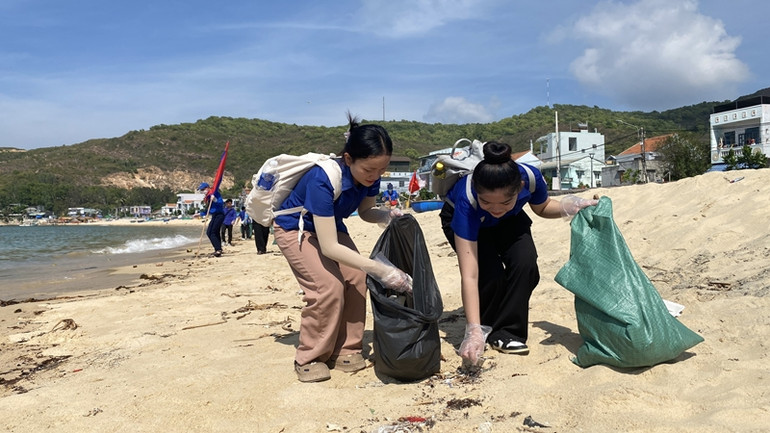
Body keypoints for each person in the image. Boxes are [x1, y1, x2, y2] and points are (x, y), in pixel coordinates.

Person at [273, 113, 411, 383]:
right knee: (327, 286)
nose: (375, 176)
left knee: (356, 277)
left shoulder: (372, 177)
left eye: (381, 170)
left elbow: (366, 210)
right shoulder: (322, 179)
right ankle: (310, 356)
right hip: (295, 228)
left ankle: (346, 348)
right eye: (369, 170)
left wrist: (384, 215)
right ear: (348, 159)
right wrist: (379, 269)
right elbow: (329, 247)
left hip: (329, 226)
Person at [439, 141, 597, 366]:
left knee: (526, 264)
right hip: (471, 219)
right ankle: (485, 328)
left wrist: (569, 207)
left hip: (509, 219)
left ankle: (508, 333)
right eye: (487, 201)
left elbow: (542, 207)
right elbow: (470, 275)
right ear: (476, 188)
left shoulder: (530, 178)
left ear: (520, 186)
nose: (495, 207)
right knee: (489, 273)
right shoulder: (468, 200)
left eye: (505, 200)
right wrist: (472, 330)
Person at [199, 182, 225, 257]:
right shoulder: (208, 197)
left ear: (207, 188)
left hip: (219, 215)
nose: (203, 191)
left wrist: (215, 200)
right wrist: (200, 214)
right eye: (201, 190)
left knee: (212, 232)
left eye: (203, 189)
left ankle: (218, 249)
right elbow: (209, 210)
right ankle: (218, 248)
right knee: (211, 232)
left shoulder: (215, 193)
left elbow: (221, 203)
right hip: (214, 215)